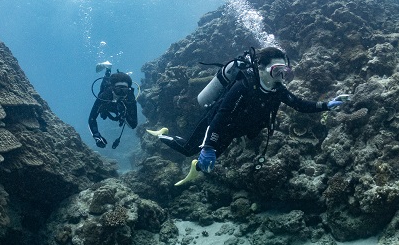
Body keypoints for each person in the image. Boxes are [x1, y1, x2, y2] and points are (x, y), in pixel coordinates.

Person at [147, 46, 349, 184]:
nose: (281, 76)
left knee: (208, 162)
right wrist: (208, 146)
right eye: (276, 70)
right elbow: (221, 115)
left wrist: (327, 105)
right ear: (261, 68)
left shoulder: (277, 90)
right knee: (188, 149)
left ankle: (195, 166)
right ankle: (162, 134)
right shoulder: (244, 86)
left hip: (234, 131)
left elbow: (299, 104)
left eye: (284, 71)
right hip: (216, 125)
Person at [89, 66, 138, 149]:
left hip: (118, 107)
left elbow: (133, 125)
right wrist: (96, 136)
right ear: (112, 89)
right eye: (118, 90)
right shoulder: (104, 95)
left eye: (124, 90)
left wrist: (124, 114)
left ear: (128, 90)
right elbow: (92, 118)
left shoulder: (130, 98)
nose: (121, 94)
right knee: (104, 86)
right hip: (107, 101)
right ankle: (108, 70)